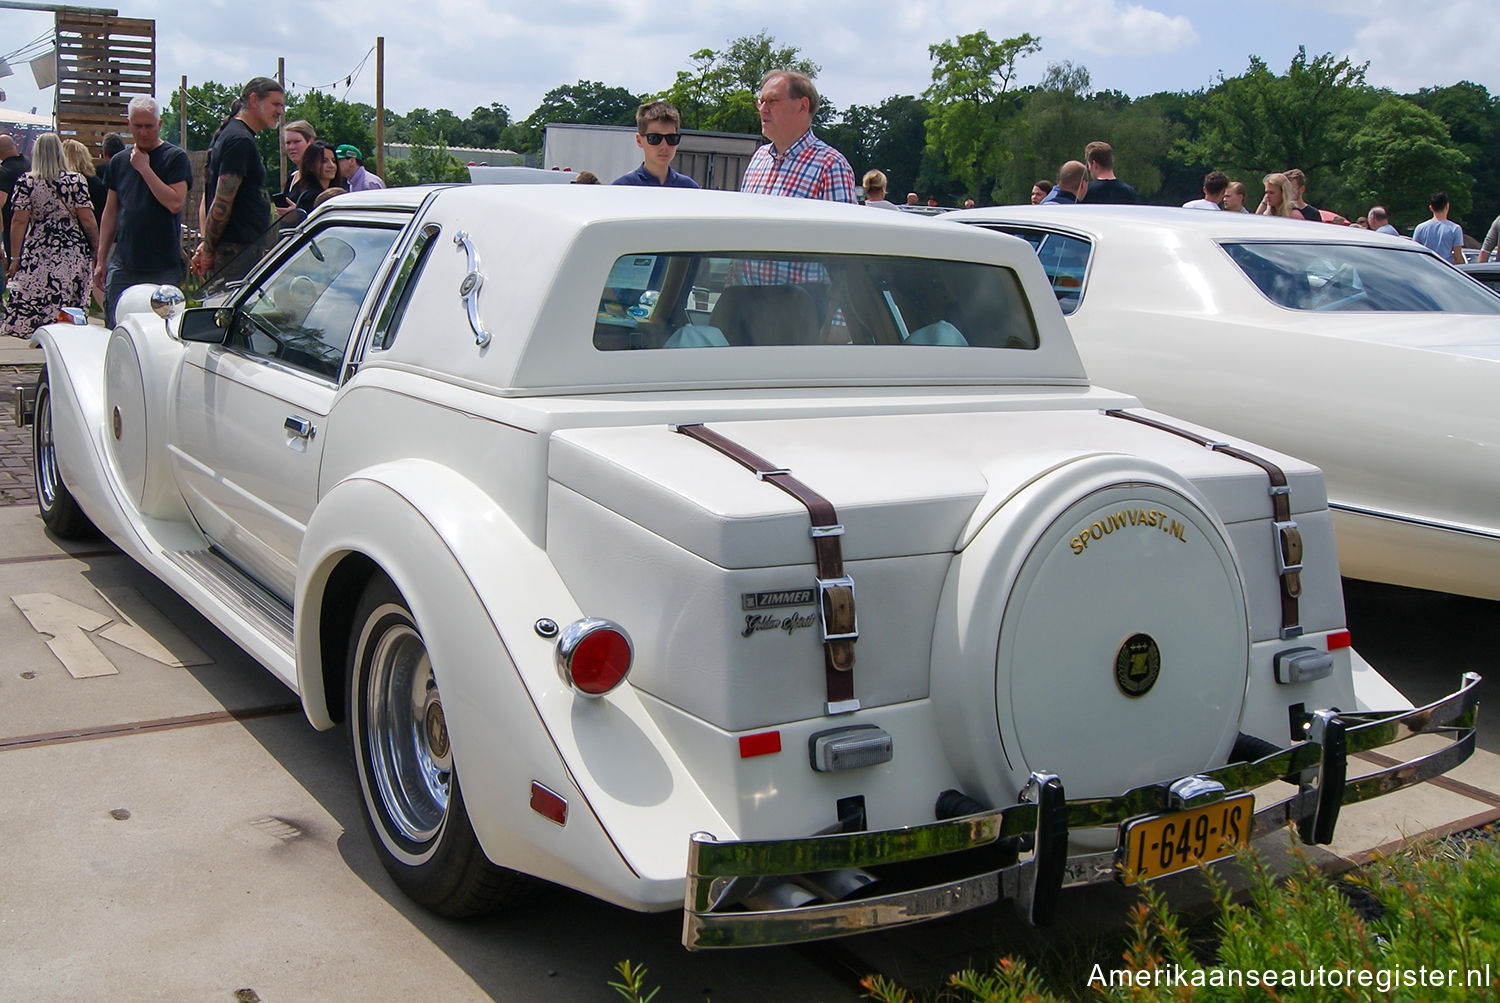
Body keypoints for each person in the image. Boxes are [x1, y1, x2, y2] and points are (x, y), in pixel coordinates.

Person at [94, 95, 193, 327]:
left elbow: (175, 202)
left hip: (162, 264)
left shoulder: (175, 158)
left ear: (158, 125)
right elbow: (110, 212)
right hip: (125, 262)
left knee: (161, 328)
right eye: (137, 126)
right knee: (115, 324)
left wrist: (144, 169)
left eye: (149, 126)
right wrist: (101, 259)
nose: (143, 132)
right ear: (129, 125)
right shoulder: (118, 162)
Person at [2, 133, 97, 341]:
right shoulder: (76, 180)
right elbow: (87, 219)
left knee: (37, 304)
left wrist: (15, 258)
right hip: (71, 251)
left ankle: (45, 345)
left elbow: (19, 221)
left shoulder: (26, 182)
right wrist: (97, 248)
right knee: (67, 306)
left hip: (38, 253)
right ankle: (63, 347)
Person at [192, 77, 284, 281]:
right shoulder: (239, 140)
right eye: (275, 104)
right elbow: (221, 202)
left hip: (237, 252)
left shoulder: (235, 136)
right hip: (234, 255)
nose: (280, 111)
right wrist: (208, 251)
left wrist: (207, 244)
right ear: (253, 99)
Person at [741, 70, 855, 203]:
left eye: (772, 101)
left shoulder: (831, 167)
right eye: (761, 102)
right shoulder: (759, 158)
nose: (763, 109)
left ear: (803, 106)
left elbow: (841, 224)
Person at [611, 101, 699, 188]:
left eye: (671, 138)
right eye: (655, 138)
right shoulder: (621, 188)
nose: (664, 146)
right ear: (639, 140)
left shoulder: (690, 189)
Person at [0, 133, 31, 322]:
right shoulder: (29, 164)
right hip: (35, 227)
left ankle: (16, 308)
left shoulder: (3, 172)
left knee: (14, 268)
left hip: (14, 227)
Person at [1411, 191, 1465, 264]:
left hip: (1426, 269)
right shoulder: (1455, 229)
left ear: (1431, 208)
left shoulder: (1420, 228)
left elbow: (1415, 253)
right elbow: (1457, 256)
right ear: (1447, 206)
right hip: (1445, 270)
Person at [294, 142, 339, 214]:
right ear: (311, 166)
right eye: (324, 161)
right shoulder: (310, 197)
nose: (331, 165)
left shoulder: (336, 192)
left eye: (334, 161)